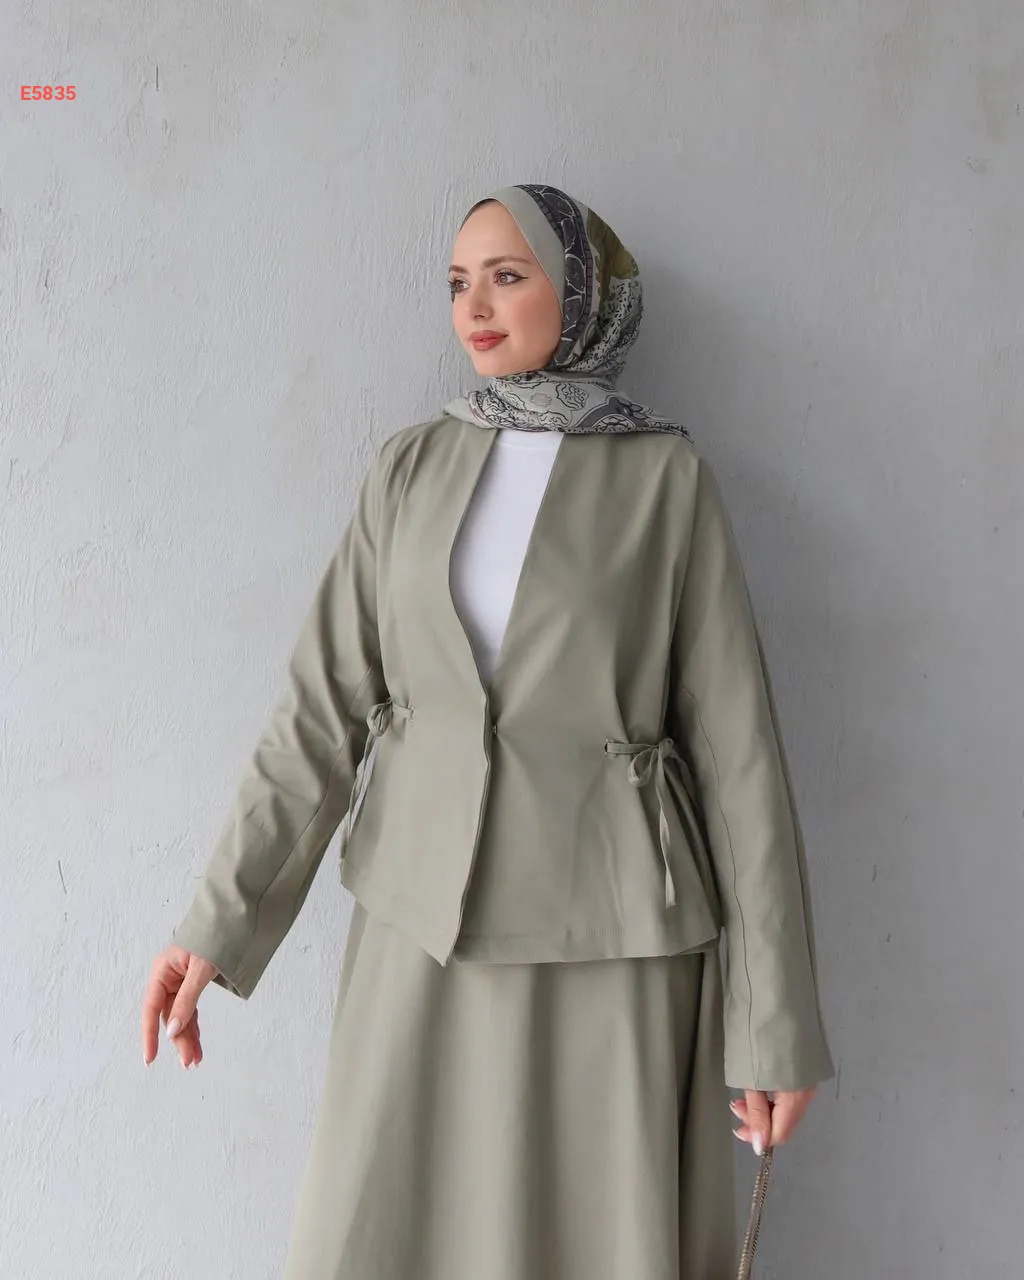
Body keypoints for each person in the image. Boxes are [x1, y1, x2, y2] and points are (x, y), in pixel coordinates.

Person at [141, 183, 834, 1279]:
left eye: (509, 276)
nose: (475, 306)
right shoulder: (409, 468)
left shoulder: (666, 478)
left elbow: (738, 762)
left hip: (614, 939)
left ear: (580, 294)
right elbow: (320, 710)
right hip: (421, 927)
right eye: (460, 280)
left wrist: (773, 1025)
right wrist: (213, 925)